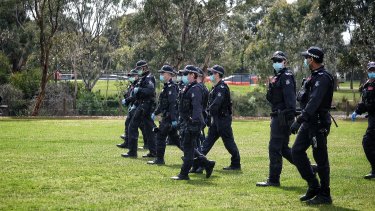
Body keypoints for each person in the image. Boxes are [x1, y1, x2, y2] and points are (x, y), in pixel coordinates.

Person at [290, 46, 334, 205]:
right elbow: (305, 100)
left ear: (313, 59)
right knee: (296, 152)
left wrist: (299, 120)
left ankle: (325, 194)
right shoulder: (313, 76)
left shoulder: (323, 78)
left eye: (307, 57)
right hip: (309, 122)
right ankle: (313, 185)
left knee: (320, 158)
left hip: (317, 123)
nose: (305, 60)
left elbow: (314, 102)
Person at [256, 51, 296, 187]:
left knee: (274, 148)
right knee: (283, 148)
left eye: (278, 60)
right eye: (274, 60)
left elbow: (290, 100)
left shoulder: (286, 77)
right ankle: (309, 168)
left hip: (282, 118)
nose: (275, 63)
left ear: (285, 61)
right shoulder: (277, 78)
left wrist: (290, 118)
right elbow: (271, 98)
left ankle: (273, 180)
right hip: (277, 115)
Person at [171, 65, 215, 180]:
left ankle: (184, 174)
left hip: (193, 122)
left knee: (188, 148)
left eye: (186, 74)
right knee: (188, 147)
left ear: (193, 75)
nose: (184, 76)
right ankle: (207, 164)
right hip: (187, 122)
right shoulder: (189, 87)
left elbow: (197, 107)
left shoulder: (196, 89)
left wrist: (194, 122)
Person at [201, 65, 241, 170]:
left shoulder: (222, 87)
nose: (210, 75)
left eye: (212, 73)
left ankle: (236, 163)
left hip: (223, 120)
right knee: (207, 142)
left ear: (217, 74)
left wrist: (208, 113)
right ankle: (199, 162)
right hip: (216, 120)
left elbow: (216, 104)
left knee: (228, 143)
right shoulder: (215, 87)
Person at [122, 60, 157, 158]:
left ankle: (132, 152)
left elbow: (150, 91)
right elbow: (138, 95)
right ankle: (153, 152)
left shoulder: (149, 78)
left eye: (139, 68)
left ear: (144, 67)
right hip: (142, 104)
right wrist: (130, 100)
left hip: (146, 105)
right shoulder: (143, 78)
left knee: (132, 126)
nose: (138, 70)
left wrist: (139, 90)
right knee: (149, 129)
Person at [147, 65, 180, 165]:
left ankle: (159, 159)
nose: (161, 75)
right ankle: (198, 158)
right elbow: (162, 105)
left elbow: (172, 104)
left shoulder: (172, 87)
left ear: (169, 75)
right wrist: (155, 113)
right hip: (167, 117)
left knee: (160, 137)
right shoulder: (166, 87)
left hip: (169, 118)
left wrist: (174, 119)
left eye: (163, 73)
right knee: (177, 141)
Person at [351, 61, 375, 180]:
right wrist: (357, 111)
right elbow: (364, 103)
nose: (372, 72)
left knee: (367, 142)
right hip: (372, 118)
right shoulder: (366, 85)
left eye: (374, 70)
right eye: (370, 70)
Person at [117, 69, 139, 148]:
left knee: (139, 127)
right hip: (132, 107)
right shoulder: (132, 85)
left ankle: (132, 145)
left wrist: (127, 100)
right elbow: (129, 95)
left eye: (132, 76)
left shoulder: (138, 84)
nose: (130, 77)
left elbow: (135, 97)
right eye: (130, 76)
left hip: (137, 107)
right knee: (128, 124)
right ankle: (127, 142)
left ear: (137, 76)